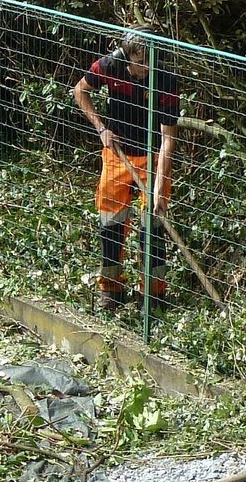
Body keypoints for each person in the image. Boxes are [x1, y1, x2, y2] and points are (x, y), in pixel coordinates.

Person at [72, 30, 181, 307]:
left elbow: (168, 139)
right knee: (110, 224)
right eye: (139, 61)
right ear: (128, 55)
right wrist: (102, 129)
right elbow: (80, 91)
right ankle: (111, 289)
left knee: (152, 227)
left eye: (149, 61)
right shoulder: (109, 66)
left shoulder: (166, 81)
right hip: (116, 155)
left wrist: (158, 189)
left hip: (152, 158)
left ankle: (153, 296)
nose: (144, 68)